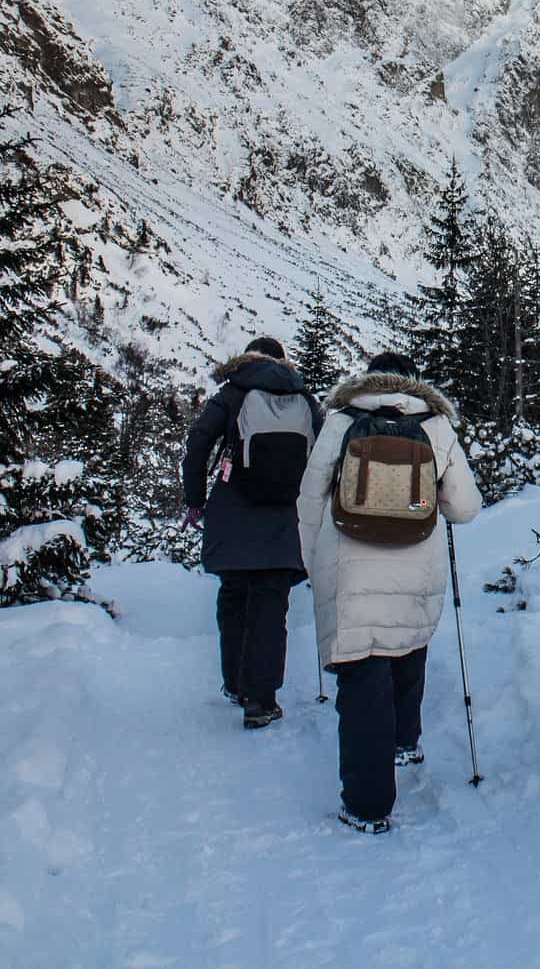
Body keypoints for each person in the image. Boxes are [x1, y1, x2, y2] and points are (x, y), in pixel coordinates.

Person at [298, 351, 481, 833]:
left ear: (368, 381)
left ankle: (367, 805)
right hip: (415, 566)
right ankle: (404, 740)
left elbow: (310, 497)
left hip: (350, 569)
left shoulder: (341, 421)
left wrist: (313, 564)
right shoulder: (435, 425)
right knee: (406, 646)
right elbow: (463, 508)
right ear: (414, 382)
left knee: (362, 678)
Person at [182, 336, 320, 730]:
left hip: (233, 510)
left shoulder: (232, 392)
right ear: (282, 361)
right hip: (284, 516)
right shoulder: (303, 397)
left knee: (234, 595)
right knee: (271, 605)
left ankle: (235, 683)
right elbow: (325, 452)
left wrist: (196, 500)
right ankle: (260, 701)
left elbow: (197, 444)